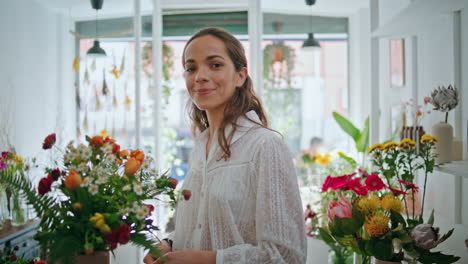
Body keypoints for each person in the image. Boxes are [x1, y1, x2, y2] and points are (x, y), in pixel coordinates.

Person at [143, 27, 306, 264]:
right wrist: (169, 243)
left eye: (215, 65)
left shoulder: (265, 146)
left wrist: (207, 260)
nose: (200, 76)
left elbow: (286, 255)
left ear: (240, 76)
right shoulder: (200, 147)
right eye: (191, 68)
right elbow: (201, 226)